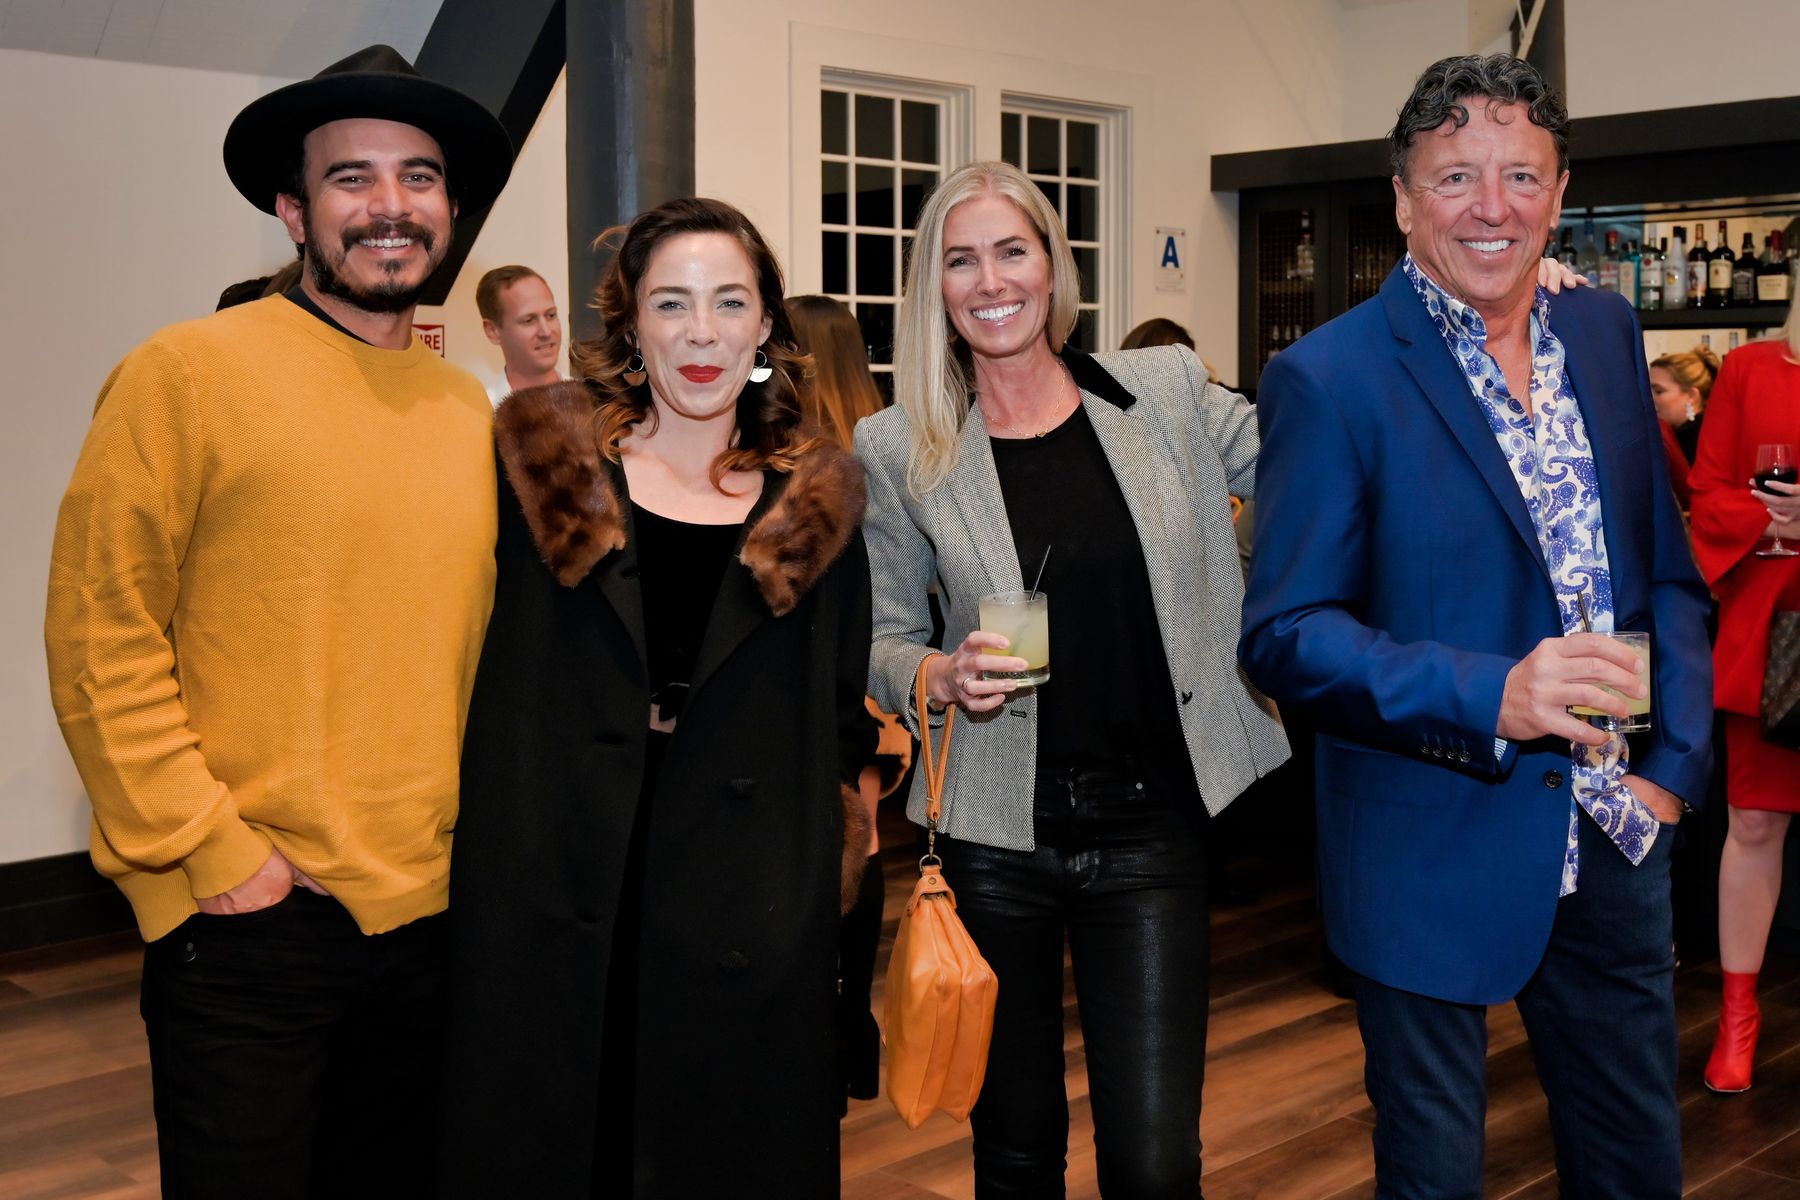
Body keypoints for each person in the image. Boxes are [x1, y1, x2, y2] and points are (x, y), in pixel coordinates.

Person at [43, 44, 513, 1200]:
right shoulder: (185, 373)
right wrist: (212, 851)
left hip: (436, 920)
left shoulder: (467, 407)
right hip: (253, 919)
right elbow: (100, 633)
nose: (390, 205)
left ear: (451, 210)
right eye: (352, 178)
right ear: (294, 211)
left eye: (419, 177)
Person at [1240, 54, 1711, 1199]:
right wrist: (1491, 695)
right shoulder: (1328, 377)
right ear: (1404, 200)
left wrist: (1674, 771)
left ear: (1560, 193)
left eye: (1520, 176)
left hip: (1616, 829)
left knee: (1634, 1167)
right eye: (1455, 177)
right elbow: (1286, 632)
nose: (1490, 207)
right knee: (1436, 1178)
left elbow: (1667, 572)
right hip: (1427, 846)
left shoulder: (1604, 331)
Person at [858, 160, 1288, 1196]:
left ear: (1052, 266)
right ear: (935, 288)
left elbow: (1310, 454)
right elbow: (880, 634)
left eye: (1012, 251)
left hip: (1150, 829)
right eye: (961, 260)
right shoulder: (900, 445)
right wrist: (937, 674)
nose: (990, 280)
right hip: (991, 833)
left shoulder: (1163, 391)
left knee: (1154, 1158)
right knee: (1014, 1150)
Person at [442, 198, 875, 1197]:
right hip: (561, 892)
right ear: (630, 323)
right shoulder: (547, 472)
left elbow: (838, 721)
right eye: (671, 303)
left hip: (742, 910)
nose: (701, 333)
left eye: (730, 302)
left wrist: (819, 898)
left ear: (765, 325)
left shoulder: (816, 505)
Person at [785, 292, 910, 1111]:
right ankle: (850, 1036)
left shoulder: (808, 468)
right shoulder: (885, 448)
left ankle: (826, 1045)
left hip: (835, 693)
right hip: (878, 696)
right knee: (858, 860)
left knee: (825, 868)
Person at [1688, 298, 1800, 1094]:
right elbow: (1709, 493)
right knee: (1754, 821)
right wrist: (1771, 519)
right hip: (1771, 630)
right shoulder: (1750, 368)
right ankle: (1737, 1014)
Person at [476, 263, 567, 404]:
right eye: (529, 320)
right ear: (493, 331)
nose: (546, 332)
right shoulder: (484, 413)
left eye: (551, 315)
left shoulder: (595, 403)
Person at [1651, 343, 1717, 465]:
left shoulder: (1699, 442)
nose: (1650, 398)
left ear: (1691, 395)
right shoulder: (1673, 436)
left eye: (1658, 391)